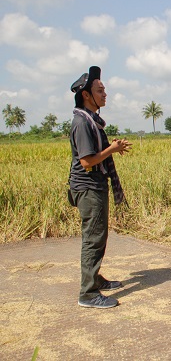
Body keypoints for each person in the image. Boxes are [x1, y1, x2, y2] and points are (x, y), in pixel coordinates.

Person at [68, 66, 132, 309]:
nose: (105, 94)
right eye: (100, 90)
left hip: (94, 184)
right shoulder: (82, 123)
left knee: (98, 235)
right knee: (93, 238)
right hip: (88, 186)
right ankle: (87, 293)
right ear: (86, 95)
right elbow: (87, 161)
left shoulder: (91, 120)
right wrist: (111, 150)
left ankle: (94, 278)